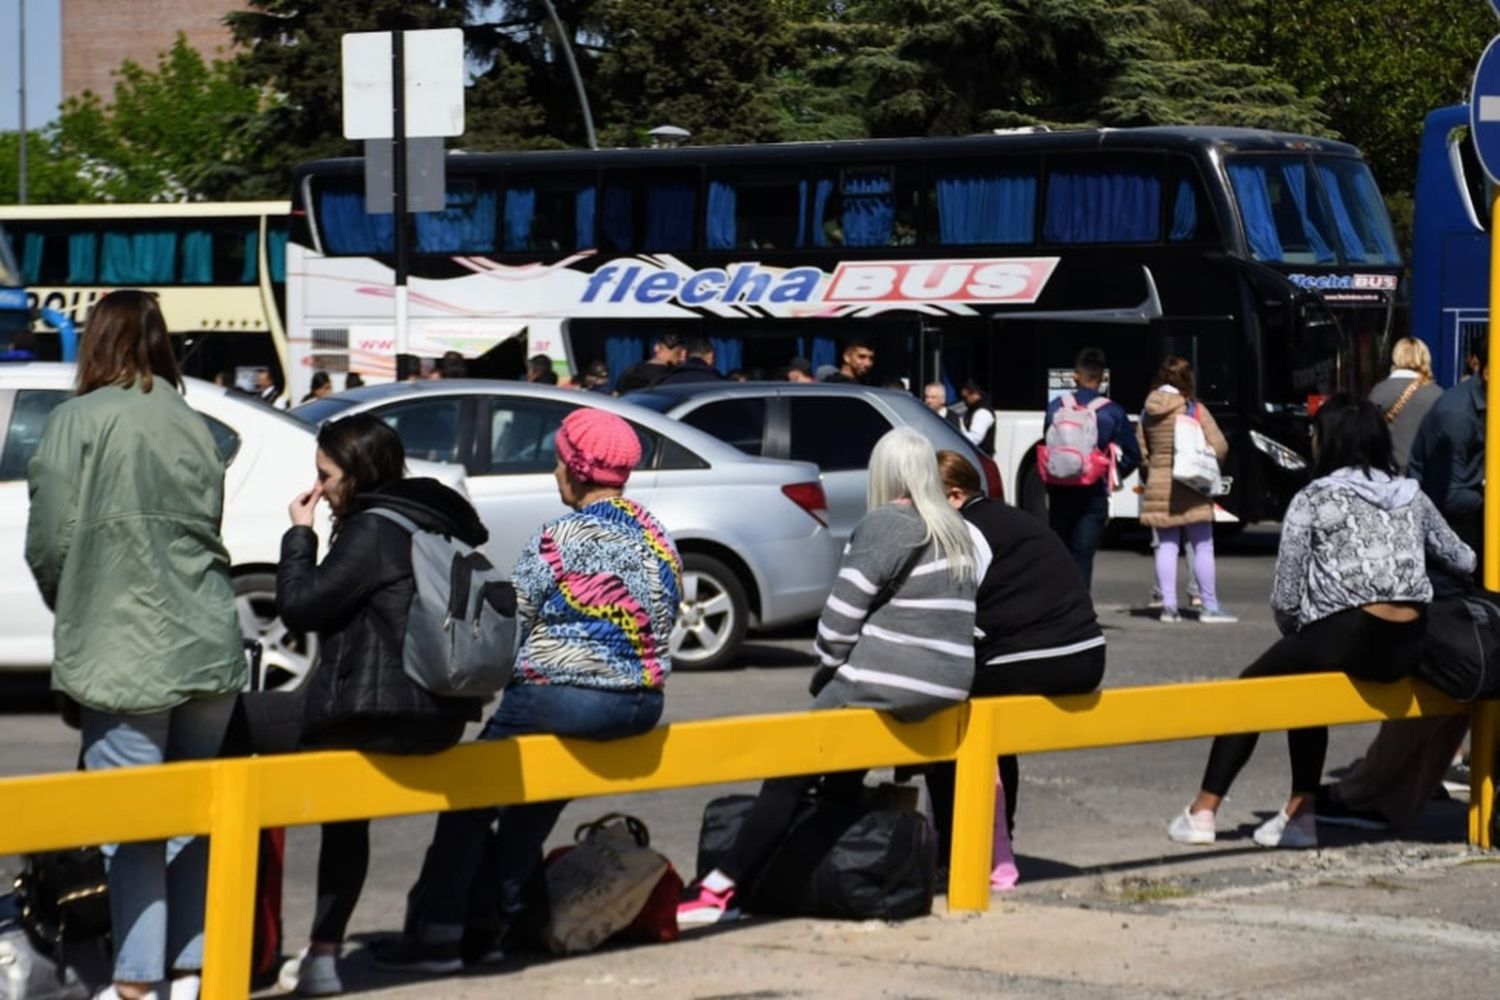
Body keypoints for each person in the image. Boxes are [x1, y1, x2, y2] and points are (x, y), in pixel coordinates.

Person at [383, 408, 681, 971]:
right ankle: (499, 925)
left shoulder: (559, 536)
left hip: (564, 695)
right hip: (642, 700)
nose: (554, 472)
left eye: (558, 460)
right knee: (529, 812)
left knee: (469, 802)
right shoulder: (656, 533)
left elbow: (510, 616)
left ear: (573, 468)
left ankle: (441, 935)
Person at [25, 290, 246, 1000]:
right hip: (209, 638)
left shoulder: (76, 420)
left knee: (130, 826)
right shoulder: (195, 422)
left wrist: (74, 599)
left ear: (95, 341)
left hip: (121, 645)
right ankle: (189, 976)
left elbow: (50, 539)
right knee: (189, 821)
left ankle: (135, 984)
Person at [677, 427, 980, 926]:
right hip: (947, 685)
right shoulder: (957, 528)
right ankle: (807, 878)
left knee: (788, 772)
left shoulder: (887, 522)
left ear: (881, 473)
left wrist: (828, 668)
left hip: (887, 678)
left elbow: (838, 623)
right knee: (839, 775)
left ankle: (721, 886)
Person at [1166, 393, 1475, 850]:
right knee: (1303, 679)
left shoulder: (1315, 497)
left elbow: (1286, 595)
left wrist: (1303, 634)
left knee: (1251, 688)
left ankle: (1204, 812)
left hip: (1350, 633)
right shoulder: (1411, 493)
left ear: (1328, 441)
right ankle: (1298, 815)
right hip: (1410, 639)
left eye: (1314, 433)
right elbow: (1464, 558)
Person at [274, 414, 486, 996]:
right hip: (441, 715)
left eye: (325, 475)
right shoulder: (433, 520)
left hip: (382, 714)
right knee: (345, 806)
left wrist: (301, 532)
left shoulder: (371, 529)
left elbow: (299, 607)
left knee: (236, 726)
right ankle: (319, 954)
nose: (318, 488)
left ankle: (259, 943)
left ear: (356, 474)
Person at [1318, 343, 1488, 831]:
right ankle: (1365, 793)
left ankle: (1391, 799)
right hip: (1441, 570)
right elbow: (1451, 498)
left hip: (1464, 568)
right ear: (1481, 364)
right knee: (1434, 689)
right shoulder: (1456, 413)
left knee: (1457, 695)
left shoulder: (1462, 405)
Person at [924, 451, 1105, 850]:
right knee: (991, 727)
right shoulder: (1014, 519)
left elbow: (953, 610)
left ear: (954, 496)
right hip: (1086, 652)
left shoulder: (967, 531)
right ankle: (999, 836)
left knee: (943, 711)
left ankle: (957, 847)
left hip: (1037, 657)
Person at [1137, 356, 1234, 623]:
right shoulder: (1194, 409)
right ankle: (1209, 607)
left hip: (1160, 484)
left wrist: (1155, 466)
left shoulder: (1149, 410)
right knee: (1202, 544)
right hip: (1191, 484)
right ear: (1187, 378)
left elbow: (1142, 451)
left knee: (1167, 546)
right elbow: (1220, 445)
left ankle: (1169, 607)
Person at [1042, 348, 1140, 588]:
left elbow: (1047, 444)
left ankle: (1059, 611)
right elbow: (1133, 454)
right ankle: (1081, 611)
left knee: (1061, 552)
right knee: (1083, 554)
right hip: (1092, 491)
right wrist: (1112, 475)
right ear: (1102, 378)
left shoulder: (1056, 406)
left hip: (1060, 489)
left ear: (1076, 376)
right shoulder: (1112, 411)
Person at [1368, 337, 1441, 475]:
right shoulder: (1437, 394)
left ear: (1396, 357)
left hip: (1389, 474)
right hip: (1425, 475)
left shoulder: (1380, 391)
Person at [615, 333, 685, 392]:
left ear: (656, 348)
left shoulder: (631, 370)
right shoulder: (674, 376)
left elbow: (615, 396)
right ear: (683, 353)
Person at [654, 337, 725, 385]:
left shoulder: (667, 381)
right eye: (714, 359)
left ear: (685, 354)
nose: (714, 362)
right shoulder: (717, 383)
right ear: (710, 356)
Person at [958, 380, 995, 455]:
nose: (964, 401)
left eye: (965, 398)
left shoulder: (982, 412)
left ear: (974, 394)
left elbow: (975, 438)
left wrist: (956, 438)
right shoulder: (972, 410)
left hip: (979, 458)